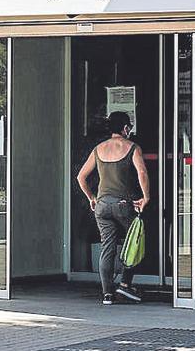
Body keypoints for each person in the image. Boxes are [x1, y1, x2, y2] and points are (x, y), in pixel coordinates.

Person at [76, 111, 150, 305]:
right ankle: (125, 285)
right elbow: (141, 171)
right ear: (125, 128)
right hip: (123, 204)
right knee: (134, 241)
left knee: (107, 247)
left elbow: (81, 177)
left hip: (101, 205)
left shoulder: (98, 149)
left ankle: (107, 294)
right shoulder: (132, 147)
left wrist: (92, 198)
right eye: (129, 127)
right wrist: (146, 197)